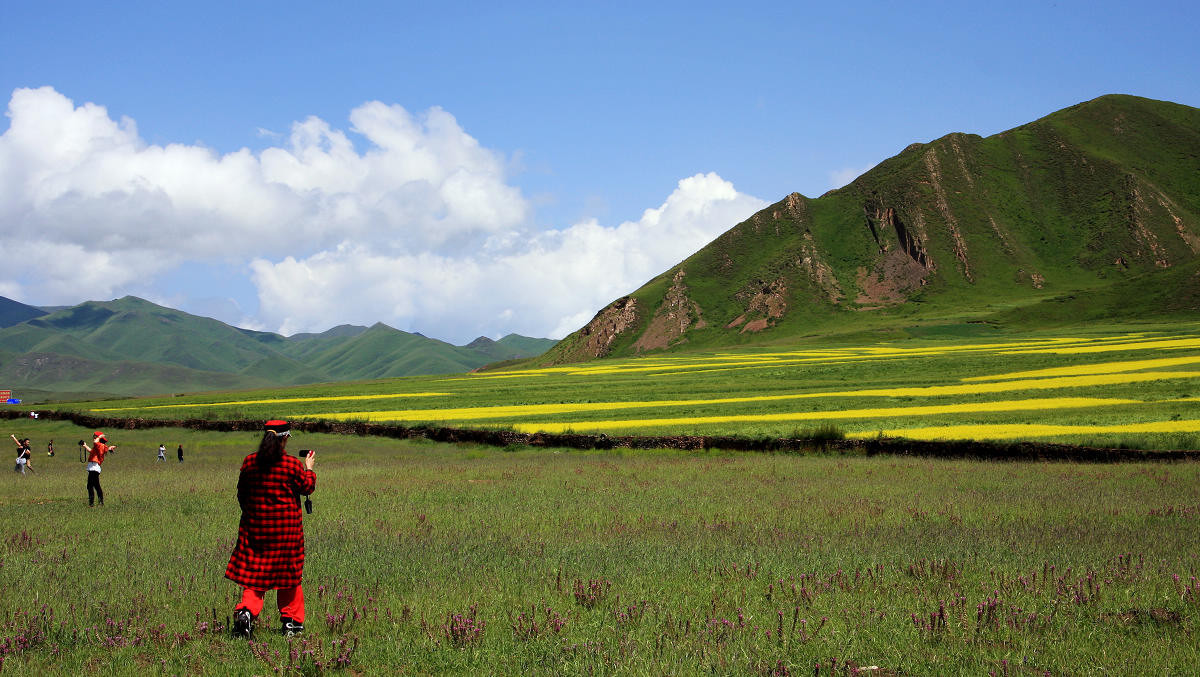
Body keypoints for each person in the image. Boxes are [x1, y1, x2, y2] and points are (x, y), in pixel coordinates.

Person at [226, 420, 316, 639]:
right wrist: (309, 468)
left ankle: (246, 612)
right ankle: (291, 623)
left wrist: (251, 515)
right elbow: (307, 487)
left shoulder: (249, 462)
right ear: (284, 439)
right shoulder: (292, 465)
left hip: (255, 530)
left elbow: (242, 493)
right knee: (290, 576)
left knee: (255, 577)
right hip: (287, 533)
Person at [80, 431, 116, 506]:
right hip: (92, 467)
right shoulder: (99, 446)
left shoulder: (99, 445)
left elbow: (96, 443)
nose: (94, 438)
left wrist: (99, 437)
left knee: (91, 485)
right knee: (94, 485)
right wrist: (85, 445)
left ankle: (93, 503)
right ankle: (98, 502)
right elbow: (91, 451)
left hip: (94, 467)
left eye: (95, 437)